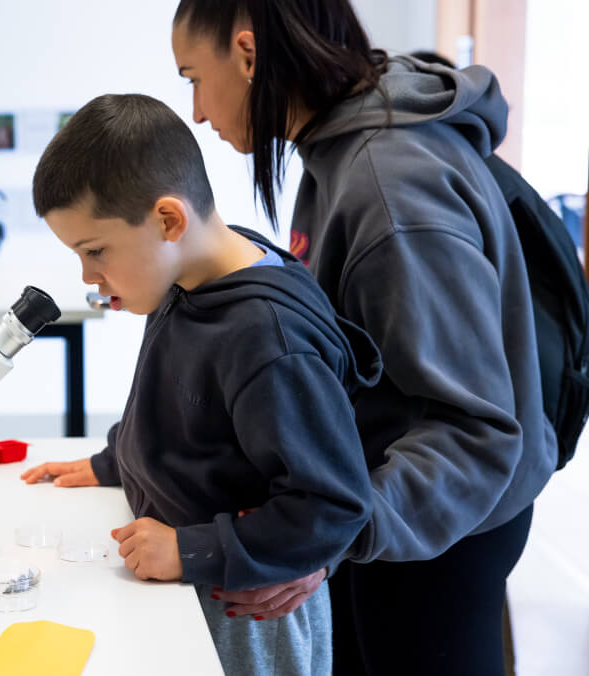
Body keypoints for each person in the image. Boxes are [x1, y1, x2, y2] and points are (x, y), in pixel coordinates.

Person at [170, 2, 557, 674]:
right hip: (392, 517)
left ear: (248, 54)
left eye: (193, 78)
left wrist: (322, 536)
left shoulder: (391, 183)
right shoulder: (343, 152)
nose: (199, 111)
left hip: (437, 529)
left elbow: (475, 435)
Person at [21, 93, 381, 675]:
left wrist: (192, 551)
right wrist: (115, 460)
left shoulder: (266, 336)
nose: (88, 276)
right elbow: (184, 418)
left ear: (168, 220)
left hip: (242, 616)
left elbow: (332, 505)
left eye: (95, 251)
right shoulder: (186, 278)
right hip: (183, 587)